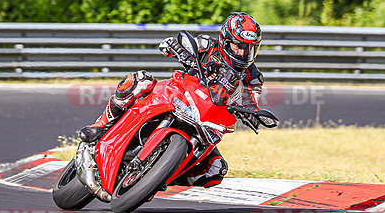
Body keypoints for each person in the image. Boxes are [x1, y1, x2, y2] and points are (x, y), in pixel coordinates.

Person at [77, 12, 264, 188]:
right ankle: (101, 124)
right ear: (226, 40)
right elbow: (171, 43)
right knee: (140, 81)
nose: (242, 53)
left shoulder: (252, 76)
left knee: (217, 169)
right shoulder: (208, 45)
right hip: (178, 95)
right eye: (239, 46)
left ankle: (157, 178)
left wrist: (253, 114)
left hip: (207, 121)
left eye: (249, 48)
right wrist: (176, 49)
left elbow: (251, 100)